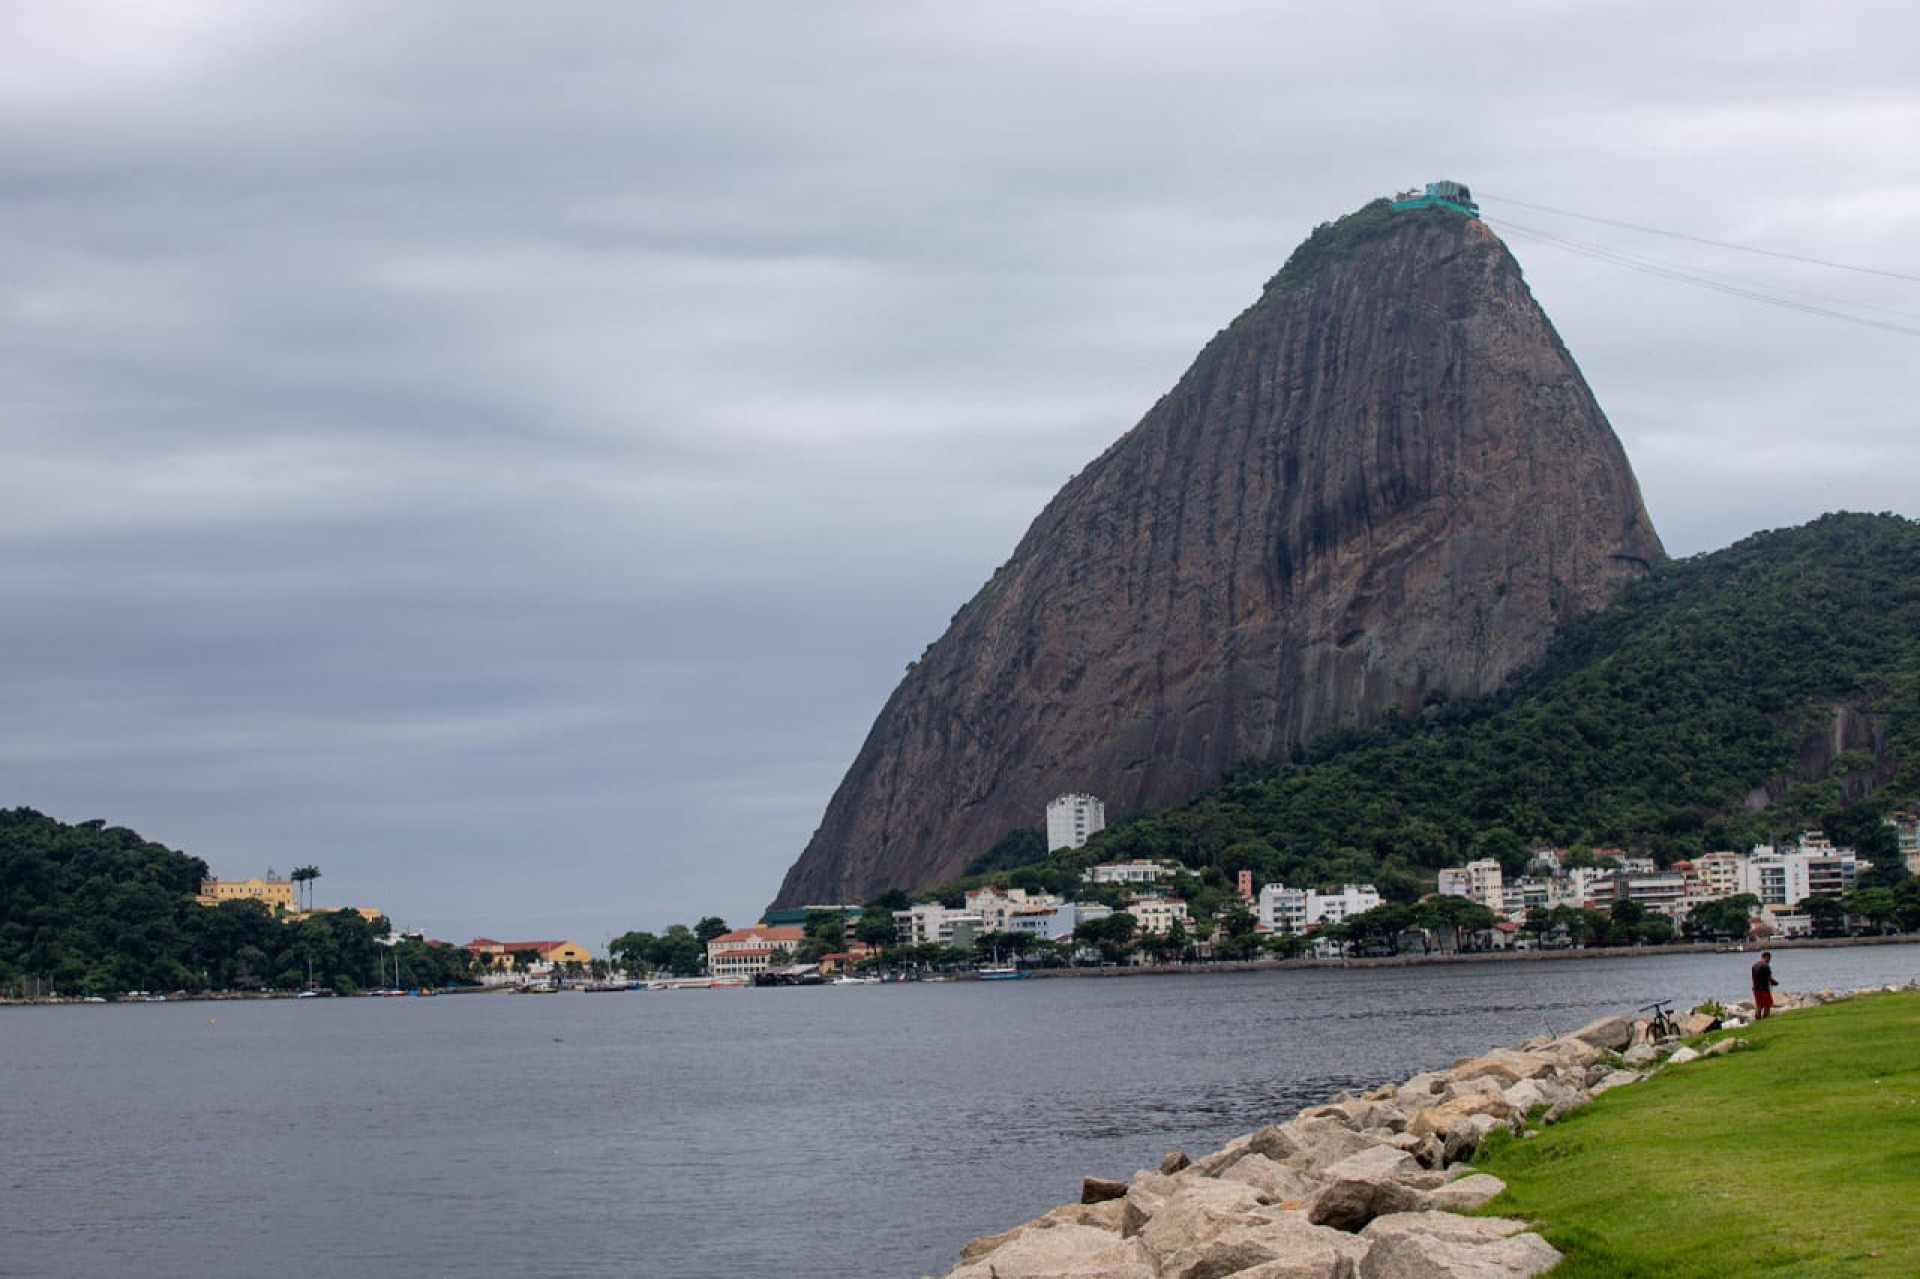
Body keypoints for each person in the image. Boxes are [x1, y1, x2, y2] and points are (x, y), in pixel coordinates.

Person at [1751, 950, 1779, 1019]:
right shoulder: (1766, 966)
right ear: (1767, 957)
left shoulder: (1754, 966)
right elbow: (1769, 978)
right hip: (1764, 989)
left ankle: (1757, 1021)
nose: (1769, 960)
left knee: (1759, 1005)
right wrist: (1775, 983)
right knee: (1767, 1005)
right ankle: (1765, 1020)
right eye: (1769, 958)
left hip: (1756, 988)